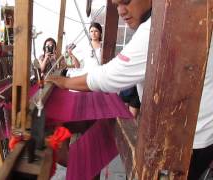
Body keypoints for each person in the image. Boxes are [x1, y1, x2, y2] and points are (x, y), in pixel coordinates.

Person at [46, 0, 213, 179]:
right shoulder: (171, 20)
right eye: (117, 5)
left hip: (187, 142)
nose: (121, 11)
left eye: (126, 1)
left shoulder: (157, 28)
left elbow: (107, 78)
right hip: (195, 132)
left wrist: (63, 83)